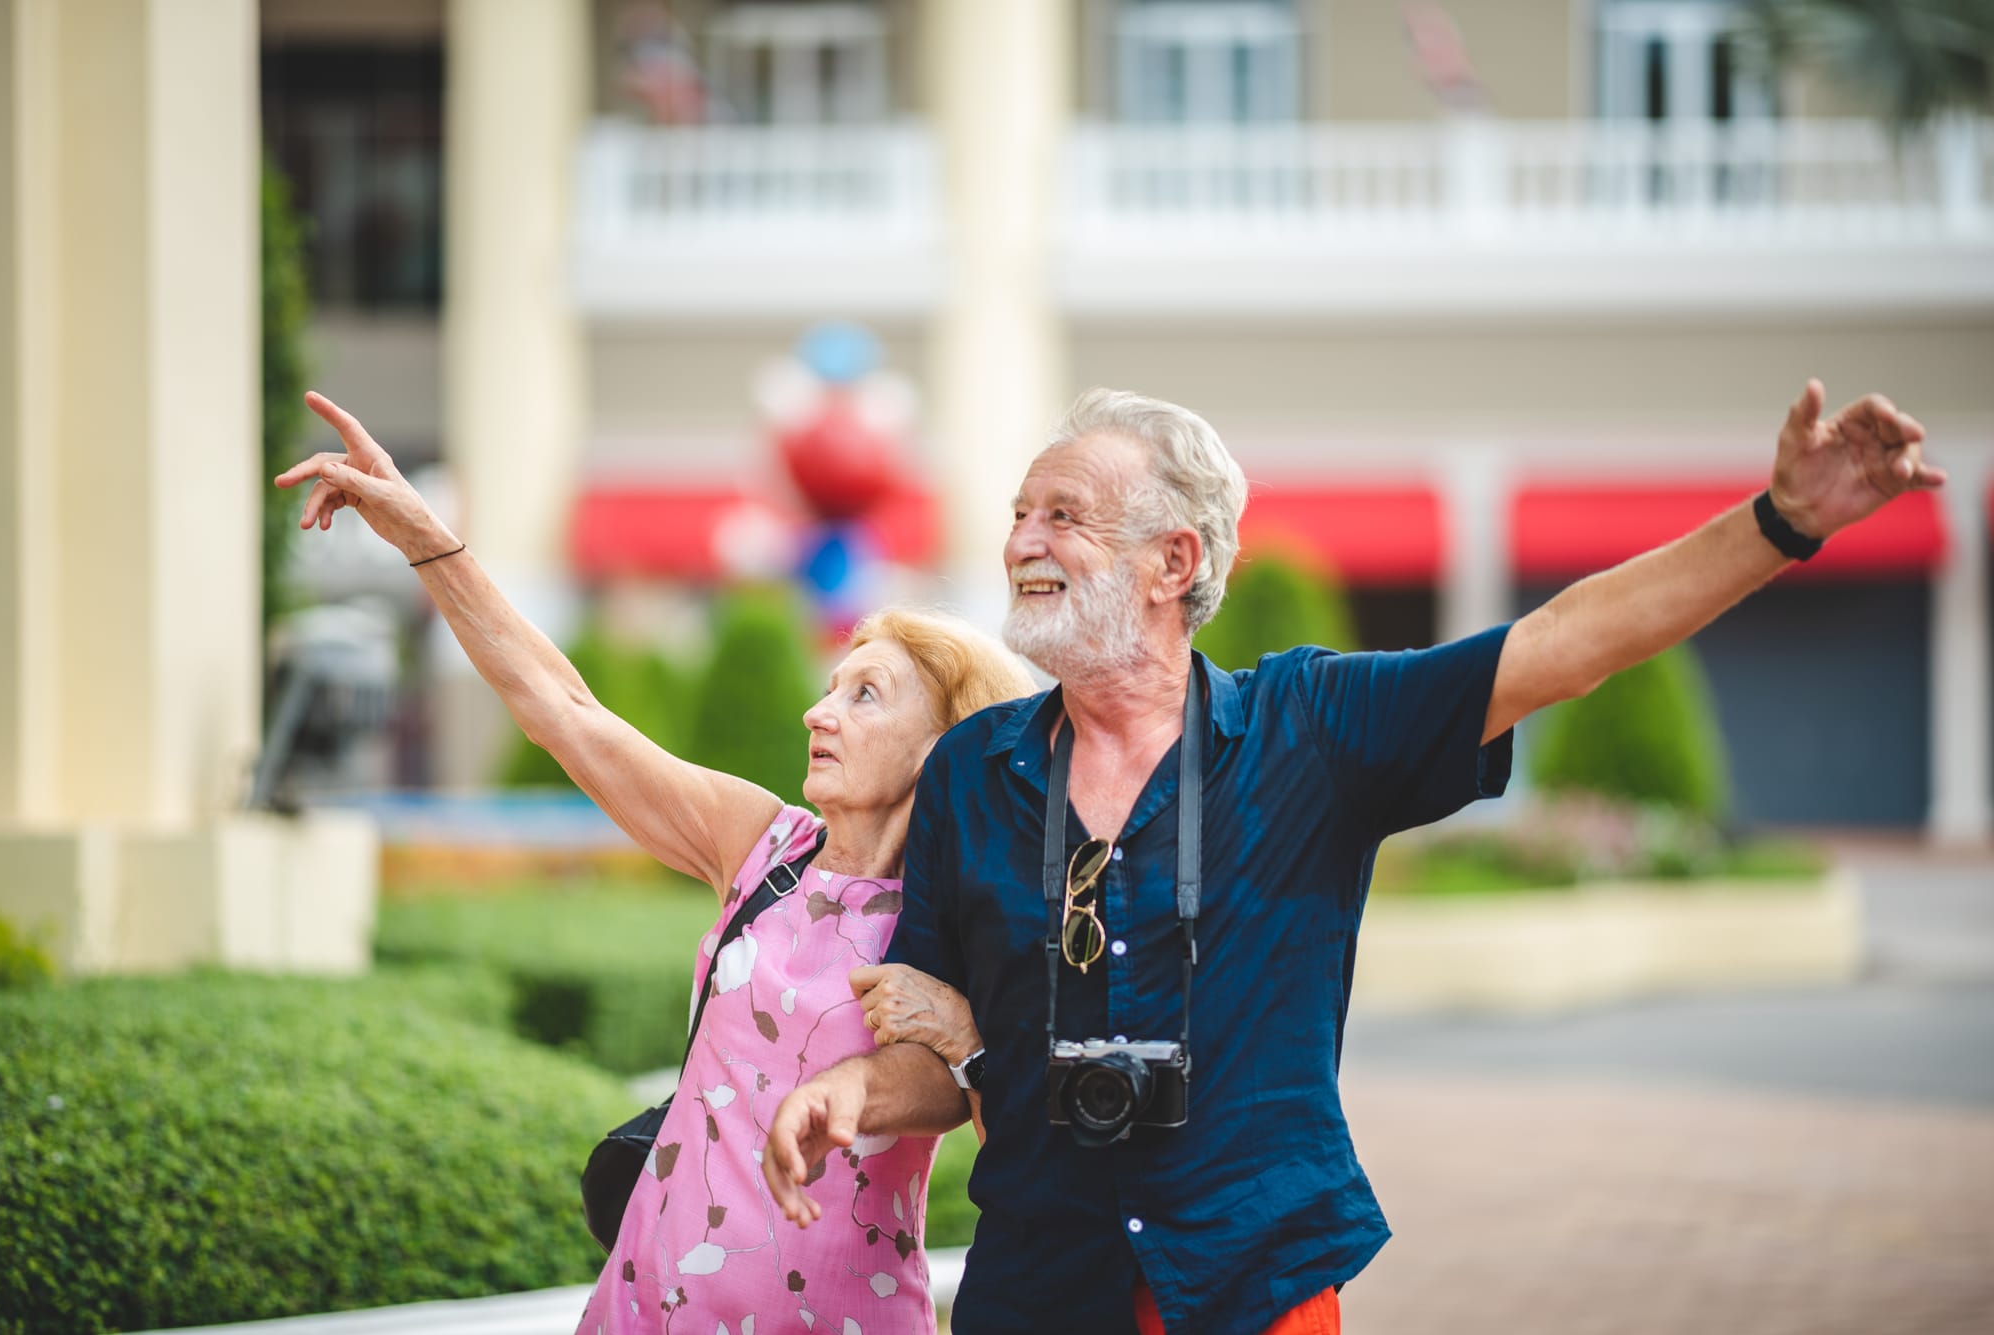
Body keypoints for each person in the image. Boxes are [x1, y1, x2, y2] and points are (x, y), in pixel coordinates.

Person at [763, 382, 1940, 1334]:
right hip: (1035, 1285)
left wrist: (1779, 523)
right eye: (1020, 513)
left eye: (1062, 515)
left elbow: (1568, 643)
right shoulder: (973, 770)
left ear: (1173, 562)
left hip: (1253, 1276)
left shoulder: (1311, 727)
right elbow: (931, 1034)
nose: (1021, 540)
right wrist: (850, 1091)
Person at [276, 392, 1032, 1334]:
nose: (817, 712)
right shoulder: (765, 846)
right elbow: (567, 711)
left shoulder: (961, 921)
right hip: (652, 1305)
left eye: (864, 695)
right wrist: (425, 535)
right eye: (829, 686)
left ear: (941, 750)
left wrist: (897, 1073)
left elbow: (973, 1110)